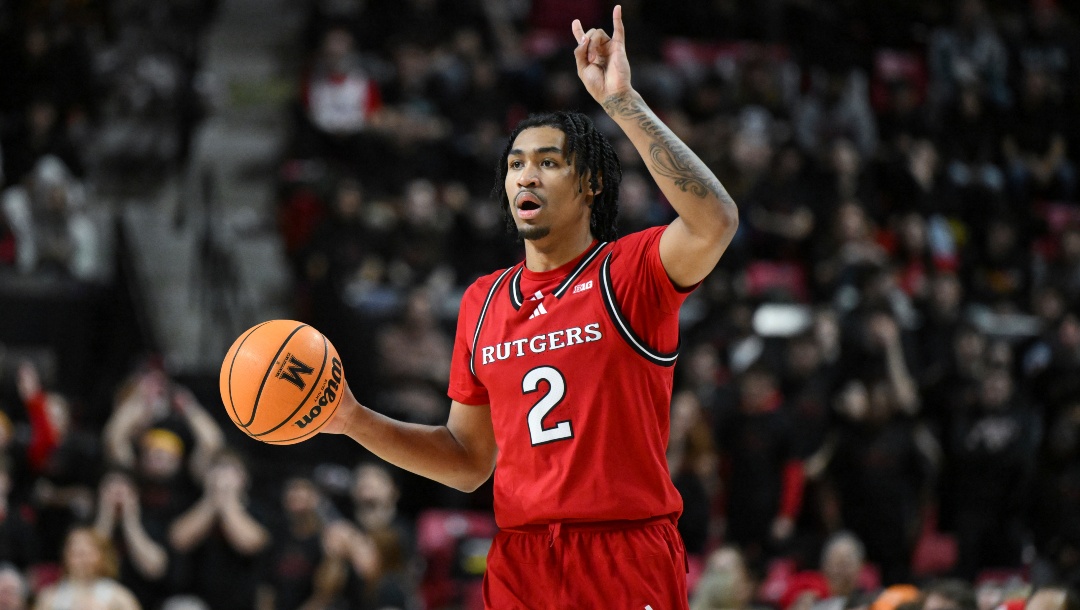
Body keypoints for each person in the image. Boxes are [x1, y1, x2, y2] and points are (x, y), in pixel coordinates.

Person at [320, 5, 738, 608]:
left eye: (547, 162)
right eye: (516, 164)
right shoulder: (482, 301)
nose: (525, 177)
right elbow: (467, 463)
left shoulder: (629, 272)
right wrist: (354, 419)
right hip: (520, 559)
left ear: (591, 182)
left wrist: (622, 104)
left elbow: (715, 220)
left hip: (622, 553)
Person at [32, 527, 141, 610]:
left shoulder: (119, 597)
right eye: (76, 553)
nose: (82, 559)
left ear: (102, 557)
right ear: (66, 556)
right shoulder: (48, 598)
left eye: (87, 553)